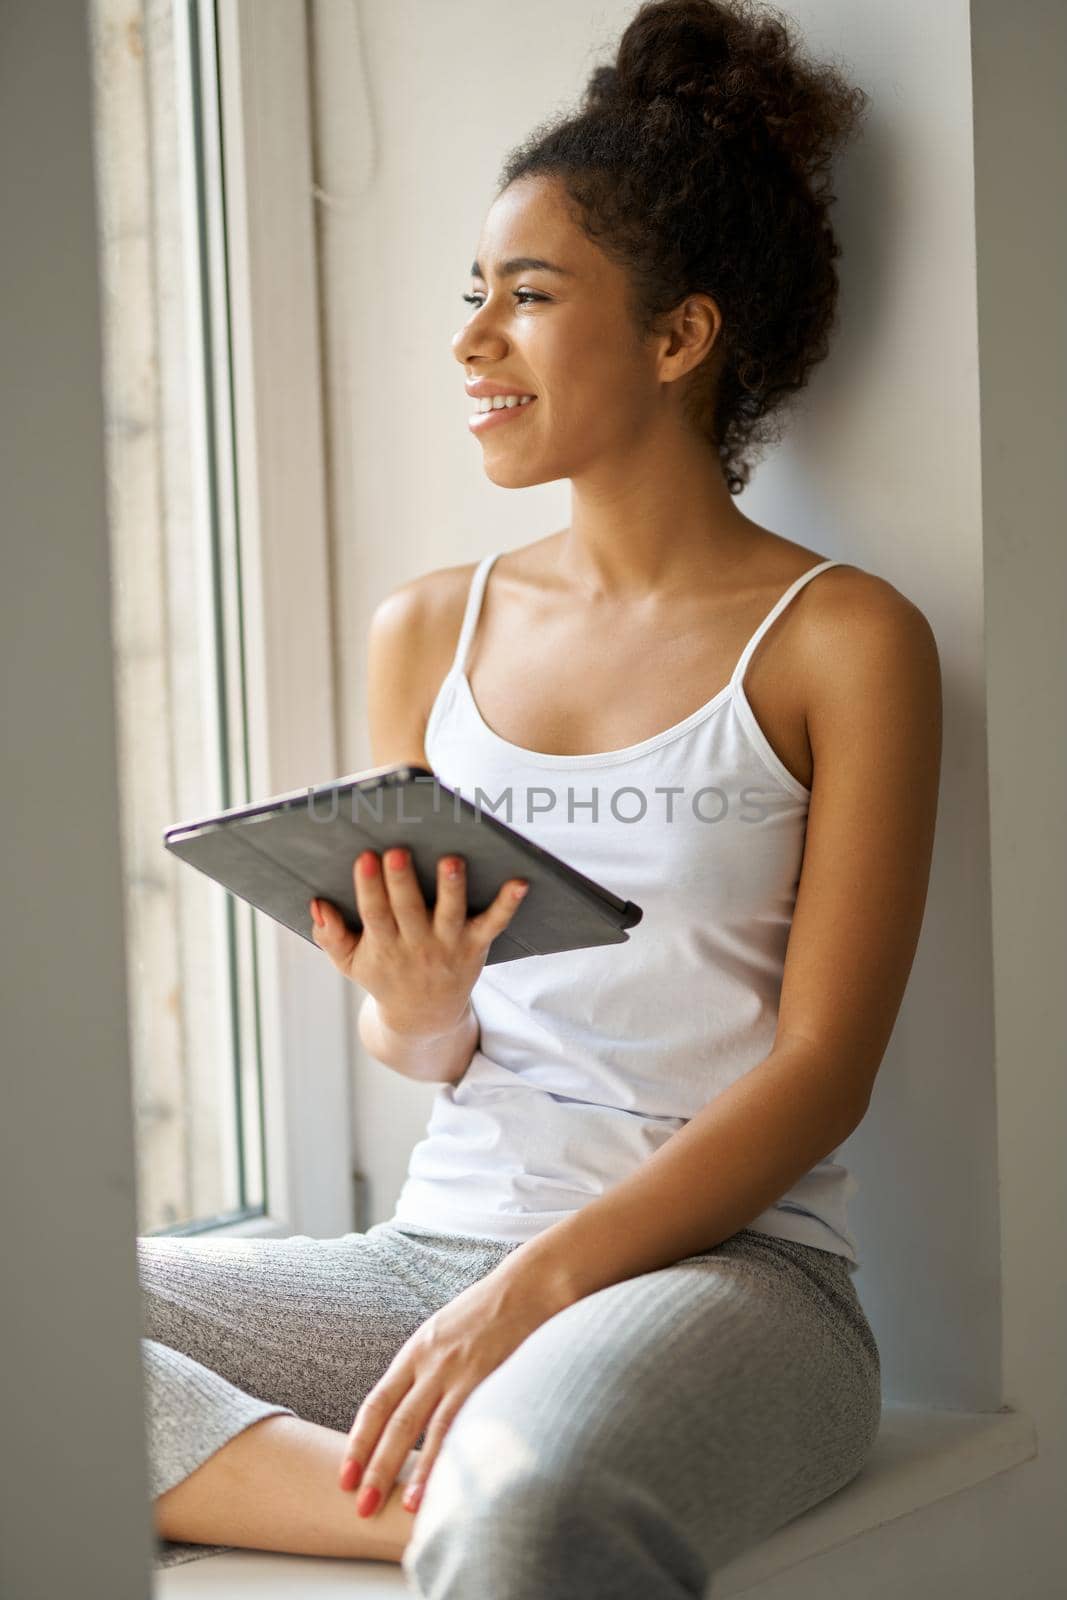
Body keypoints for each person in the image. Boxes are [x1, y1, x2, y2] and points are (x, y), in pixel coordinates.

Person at [141, 1, 942, 1592]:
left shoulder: (846, 642)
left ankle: (483, 1487)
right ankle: (420, 1493)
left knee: (533, 1522)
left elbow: (823, 1074)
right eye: (470, 297)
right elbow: (430, 1051)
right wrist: (416, 1007)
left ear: (676, 336)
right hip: (432, 1253)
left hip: (733, 1287)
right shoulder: (430, 630)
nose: (470, 341)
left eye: (526, 297)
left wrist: (534, 1298)